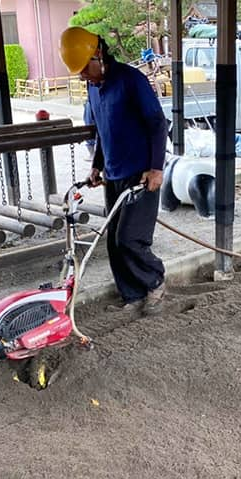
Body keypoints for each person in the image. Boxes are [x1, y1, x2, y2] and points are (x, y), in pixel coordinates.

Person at [59, 26, 168, 316]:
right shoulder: (94, 88)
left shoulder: (131, 80)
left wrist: (157, 168)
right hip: (114, 175)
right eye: (79, 72)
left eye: (84, 69)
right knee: (113, 241)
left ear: (99, 55)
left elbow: (158, 122)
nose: (82, 76)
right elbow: (103, 131)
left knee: (130, 238)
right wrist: (96, 165)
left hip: (141, 175)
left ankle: (155, 280)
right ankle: (132, 295)